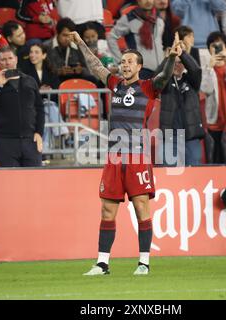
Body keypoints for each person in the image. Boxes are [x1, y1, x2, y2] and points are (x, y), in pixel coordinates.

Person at [69, 30, 180, 276]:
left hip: (137, 158)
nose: (124, 65)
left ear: (139, 66)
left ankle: (144, 263)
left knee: (141, 207)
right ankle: (102, 263)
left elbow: (164, 76)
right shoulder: (115, 85)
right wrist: (80, 44)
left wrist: (171, 57)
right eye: (122, 62)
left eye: (129, 61)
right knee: (107, 210)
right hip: (114, 158)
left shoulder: (149, 87)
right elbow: (96, 65)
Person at [0, 46, 44, 167]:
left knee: (34, 180)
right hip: (5, 141)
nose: (7, 62)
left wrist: (39, 132)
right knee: (11, 182)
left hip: (30, 139)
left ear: (16, 59)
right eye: (3, 59)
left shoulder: (30, 80)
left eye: (10, 58)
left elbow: (39, 108)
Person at [157, 39, 204, 165]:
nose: (177, 65)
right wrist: (169, 57)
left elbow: (196, 70)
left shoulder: (192, 81)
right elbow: (157, 77)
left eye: (180, 63)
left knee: (195, 175)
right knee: (168, 175)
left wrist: (182, 53)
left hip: (191, 136)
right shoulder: (164, 83)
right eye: (174, 63)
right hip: (170, 137)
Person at [201, 32, 226, 163]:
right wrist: (209, 68)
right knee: (216, 157)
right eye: (213, 45)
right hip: (214, 119)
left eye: (220, 44)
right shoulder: (206, 68)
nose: (216, 47)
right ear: (209, 49)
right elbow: (206, 89)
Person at [107, 0, 165, 79]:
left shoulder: (159, 19)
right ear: (138, 1)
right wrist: (120, 61)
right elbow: (111, 37)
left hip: (161, 70)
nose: (148, 1)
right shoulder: (129, 18)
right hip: (141, 70)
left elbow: (159, 42)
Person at [45, 18, 96, 83]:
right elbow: (45, 72)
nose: (67, 39)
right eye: (64, 35)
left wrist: (81, 70)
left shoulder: (77, 46)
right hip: (57, 79)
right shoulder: (47, 47)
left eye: (70, 36)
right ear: (57, 34)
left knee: (92, 79)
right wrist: (59, 72)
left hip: (75, 78)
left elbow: (86, 68)